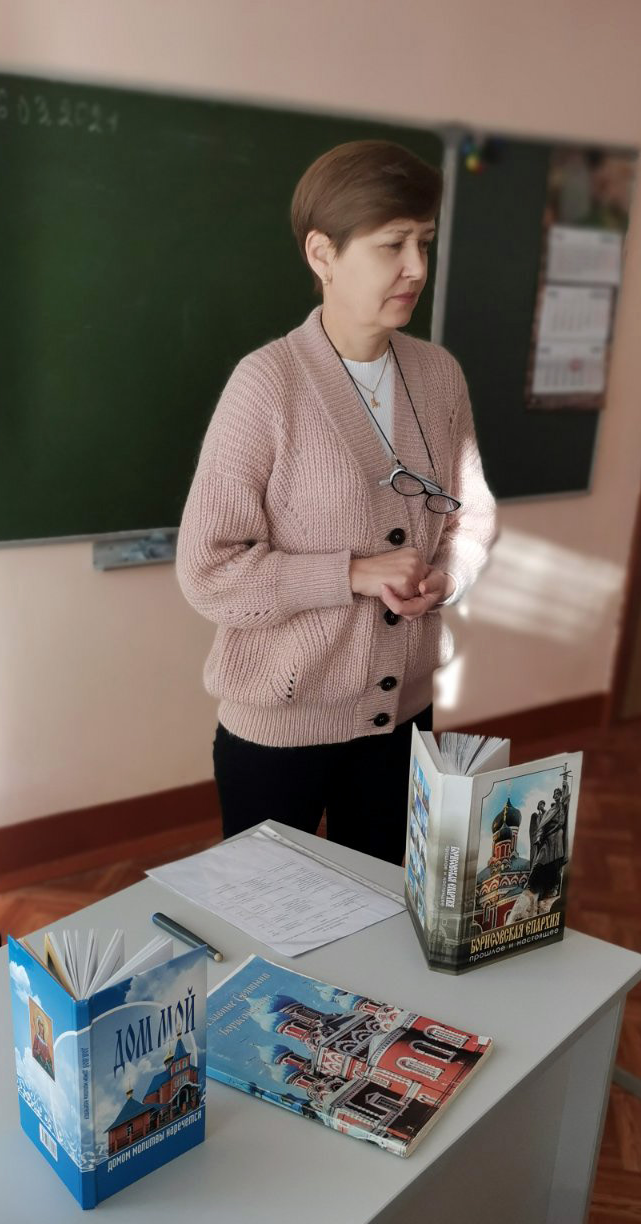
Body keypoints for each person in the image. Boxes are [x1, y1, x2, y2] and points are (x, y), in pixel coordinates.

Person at [177, 140, 497, 864]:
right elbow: (208, 571)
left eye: (425, 243)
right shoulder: (267, 385)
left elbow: (471, 518)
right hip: (280, 728)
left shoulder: (438, 376)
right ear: (323, 253)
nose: (416, 267)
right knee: (268, 912)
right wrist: (351, 573)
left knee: (384, 902)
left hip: (402, 717)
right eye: (392, 245)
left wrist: (447, 576)